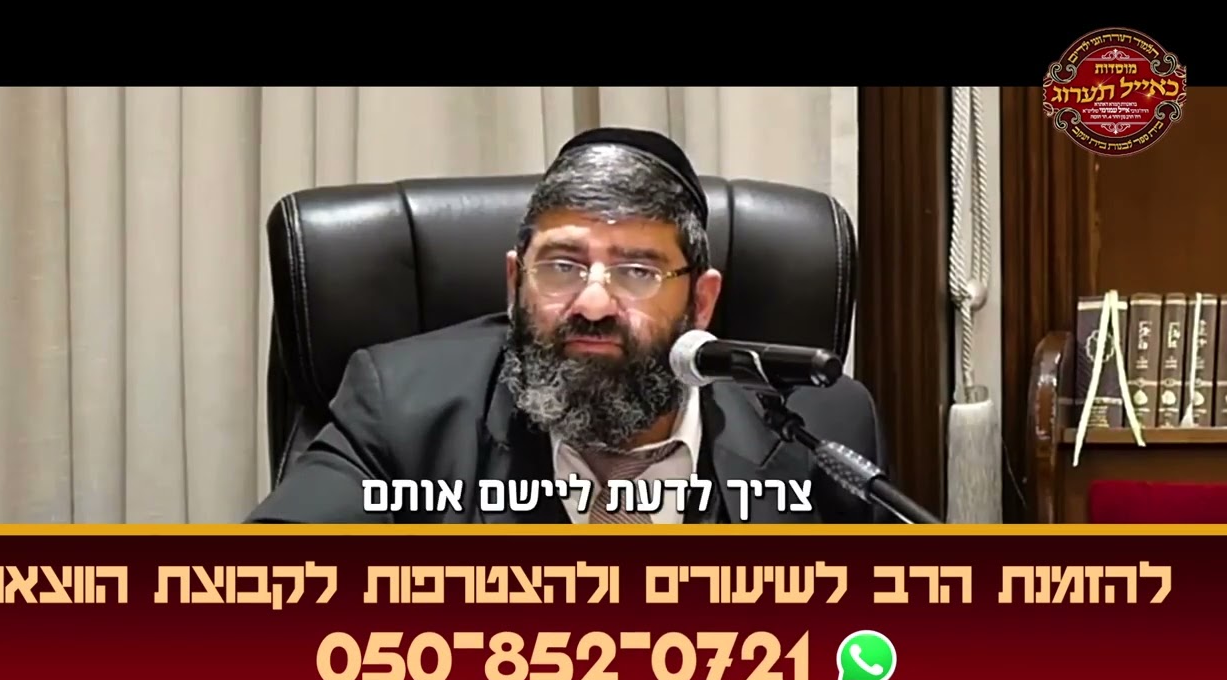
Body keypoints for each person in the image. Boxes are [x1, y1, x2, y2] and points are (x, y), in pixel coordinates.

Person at [247, 127, 894, 524]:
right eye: (562, 266)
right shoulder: (402, 410)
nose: (592, 303)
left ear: (701, 302)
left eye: (637, 271)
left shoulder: (819, 427)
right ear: (514, 284)